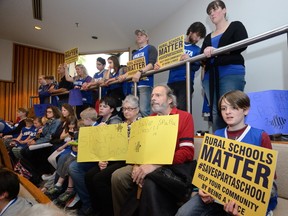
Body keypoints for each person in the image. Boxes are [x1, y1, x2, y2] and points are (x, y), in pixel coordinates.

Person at [175, 90, 278, 216]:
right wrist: (201, 189)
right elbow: (206, 172)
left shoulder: (260, 136)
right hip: (216, 194)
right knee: (183, 213)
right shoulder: (217, 135)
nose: (228, 112)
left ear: (245, 110)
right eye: (224, 108)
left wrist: (247, 203)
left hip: (243, 199)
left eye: (234, 107)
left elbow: (270, 182)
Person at [111, 85, 195, 216]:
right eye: (152, 96)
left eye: (158, 95)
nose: (153, 99)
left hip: (172, 167)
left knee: (149, 180)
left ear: (169, 100)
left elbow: (187, 152)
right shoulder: (149, 119)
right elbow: (140, 149)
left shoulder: (184, 117)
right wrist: (137, 165)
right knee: (118, 177)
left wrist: (156, 164)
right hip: (145, 163)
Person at [85, 95, 142, 216]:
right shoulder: (122, 123)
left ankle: (108, 212)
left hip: (129, 159)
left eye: (130, 109)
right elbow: (112, 145)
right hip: (117, 156)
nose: (126, 111)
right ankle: (97, 209)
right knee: (89, 175)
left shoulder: (141, 123)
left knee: (99, 179)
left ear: (137, 109)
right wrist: (103, 159)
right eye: (124, 109)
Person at [201, 0, 248, 131]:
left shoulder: (235, 26)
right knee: (216, 111)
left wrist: (216, 51)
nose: (212, 14)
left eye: (215, 10)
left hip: (231, 72)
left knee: (232, 107)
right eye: (209, 13)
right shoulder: (208, 37)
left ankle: (235, 141)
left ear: (224, 10)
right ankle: (220, 142)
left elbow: (243, 43)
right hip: (211, 77)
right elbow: (201, 58)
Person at [154, 22, 206, 111]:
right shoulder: (176, 45)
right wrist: (158, 64)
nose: (197, 39)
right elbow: (165, 60)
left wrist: (190, 59)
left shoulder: (197, 50)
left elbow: (196, 67)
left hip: (185, 82)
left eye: (200, 37)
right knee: (169, 111)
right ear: (190, 31)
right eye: (197, 35)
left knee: (183, 110)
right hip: (171, 82)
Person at [131, 29, 158, 117]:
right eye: (137, 35)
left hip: (145, 84)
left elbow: (152, 64)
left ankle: (149, 130)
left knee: (144, 110)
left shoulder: (150, 48)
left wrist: (140, 72)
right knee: (134, 112)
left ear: (147, 37)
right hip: (134, 85)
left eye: (141, 35)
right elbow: (131, 70)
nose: (138, 36)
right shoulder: (134, 53)